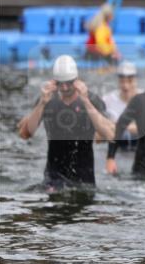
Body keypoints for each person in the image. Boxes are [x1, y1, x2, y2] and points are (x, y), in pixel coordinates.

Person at [17, 55, 115, 191]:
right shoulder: (47, 100)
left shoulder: (91, 99)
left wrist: (86, 101)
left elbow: (109, 134)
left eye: (68, 83)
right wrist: (42, 104)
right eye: (59, 83)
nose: (64, 87)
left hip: (84, 181)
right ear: (54, 82)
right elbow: (24, 134)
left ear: (77, 80)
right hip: (52, 180)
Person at [102, 61, 140, 169]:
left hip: (139, 148)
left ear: (136, 80)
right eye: (122, 81)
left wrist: (119, 125)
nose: (126, 86)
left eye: (130, 81)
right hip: (116, 149)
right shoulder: (107, 100)